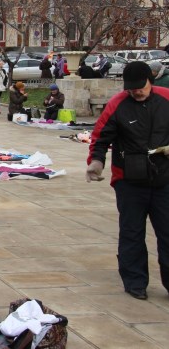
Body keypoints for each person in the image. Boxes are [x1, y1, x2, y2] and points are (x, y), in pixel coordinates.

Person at [87, 61, 169, 301]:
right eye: (131, 89)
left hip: (164, 179)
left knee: (167, 232)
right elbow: (100, 138)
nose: (136, 92)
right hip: (129, 180)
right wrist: (96, 162)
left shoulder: (166, 99)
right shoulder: (118, 104)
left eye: (141, 87)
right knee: (132, 232)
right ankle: (135, 281)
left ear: (150, 81)